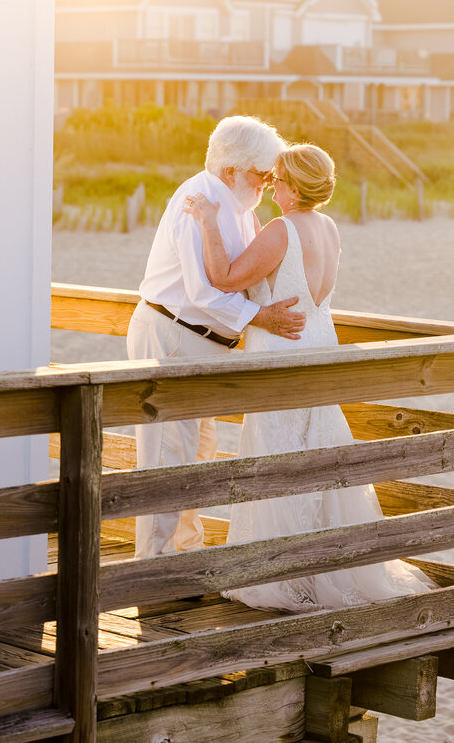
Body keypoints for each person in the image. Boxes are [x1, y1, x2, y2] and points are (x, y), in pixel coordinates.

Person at [183, 143, 434, 612]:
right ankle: (316, 562)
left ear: (293, 188)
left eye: (277, 178)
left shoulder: (281, 230)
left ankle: (278, 571)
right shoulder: (328, 228)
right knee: (313, 457)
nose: (271, 183)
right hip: (319, 345)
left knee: (276, 457)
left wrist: (206, 219)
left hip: (283, 353)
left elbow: (222, 277)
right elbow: (286, 271)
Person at [128, 116, 307, 559]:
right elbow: (203, 292)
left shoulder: (239, 207)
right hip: (174, 335)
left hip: (204, 345)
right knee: (168, 459)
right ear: (231, 171)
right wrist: (260, 317)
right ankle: (151, 569)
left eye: (270, 176)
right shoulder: (198, 201)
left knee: (199, 453)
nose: (267, 183)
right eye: (260, 174)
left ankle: (184, 557)